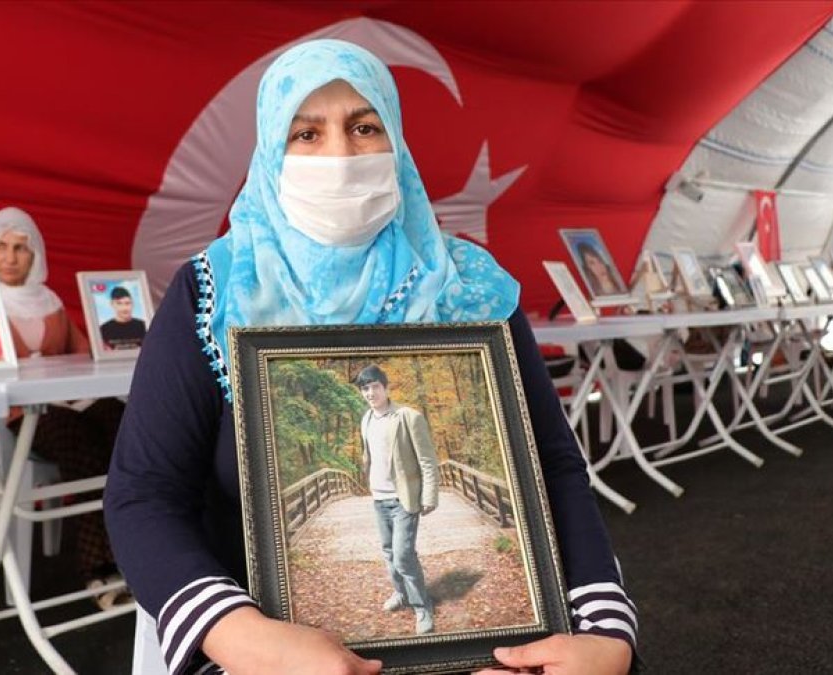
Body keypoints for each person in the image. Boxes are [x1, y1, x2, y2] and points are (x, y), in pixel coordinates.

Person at [105, 40, 635, 675]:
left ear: (398, 141)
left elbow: (552, 465)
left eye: (363, 127)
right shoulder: (215, 290)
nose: (340, 156)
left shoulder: (467, 286)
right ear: (270, 150)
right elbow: (144, 494)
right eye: (306, 133)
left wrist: (607, 632)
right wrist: (237, 635)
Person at [0, 206, 131, 607]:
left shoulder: (50, 302)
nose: (10, 257)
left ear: (35, 255)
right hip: (14, 416)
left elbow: (85, 356)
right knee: (77, 436)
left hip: (66, 404)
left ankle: (135, 552)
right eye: (1, 247)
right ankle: (99, 570)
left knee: (122, 422)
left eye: (20, 248)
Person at [355, 364, 438, 635]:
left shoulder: (408, 417)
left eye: (374, 387)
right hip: (379, 499)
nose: (370, 393)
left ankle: (422, 606)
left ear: (385, 387)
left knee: (403, 556)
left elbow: (427, 460)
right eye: (365, 389)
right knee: (389, 553)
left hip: (403, 499)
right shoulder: (366, 419)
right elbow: (369, 455)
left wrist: (429, 496)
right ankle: (401, 593)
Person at [99, 286, 146, 350]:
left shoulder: (144, 326)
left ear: (132, 304)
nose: (124, 308)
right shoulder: (103, 329)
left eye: (127, 303)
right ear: (112, 304)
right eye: (119, 303)